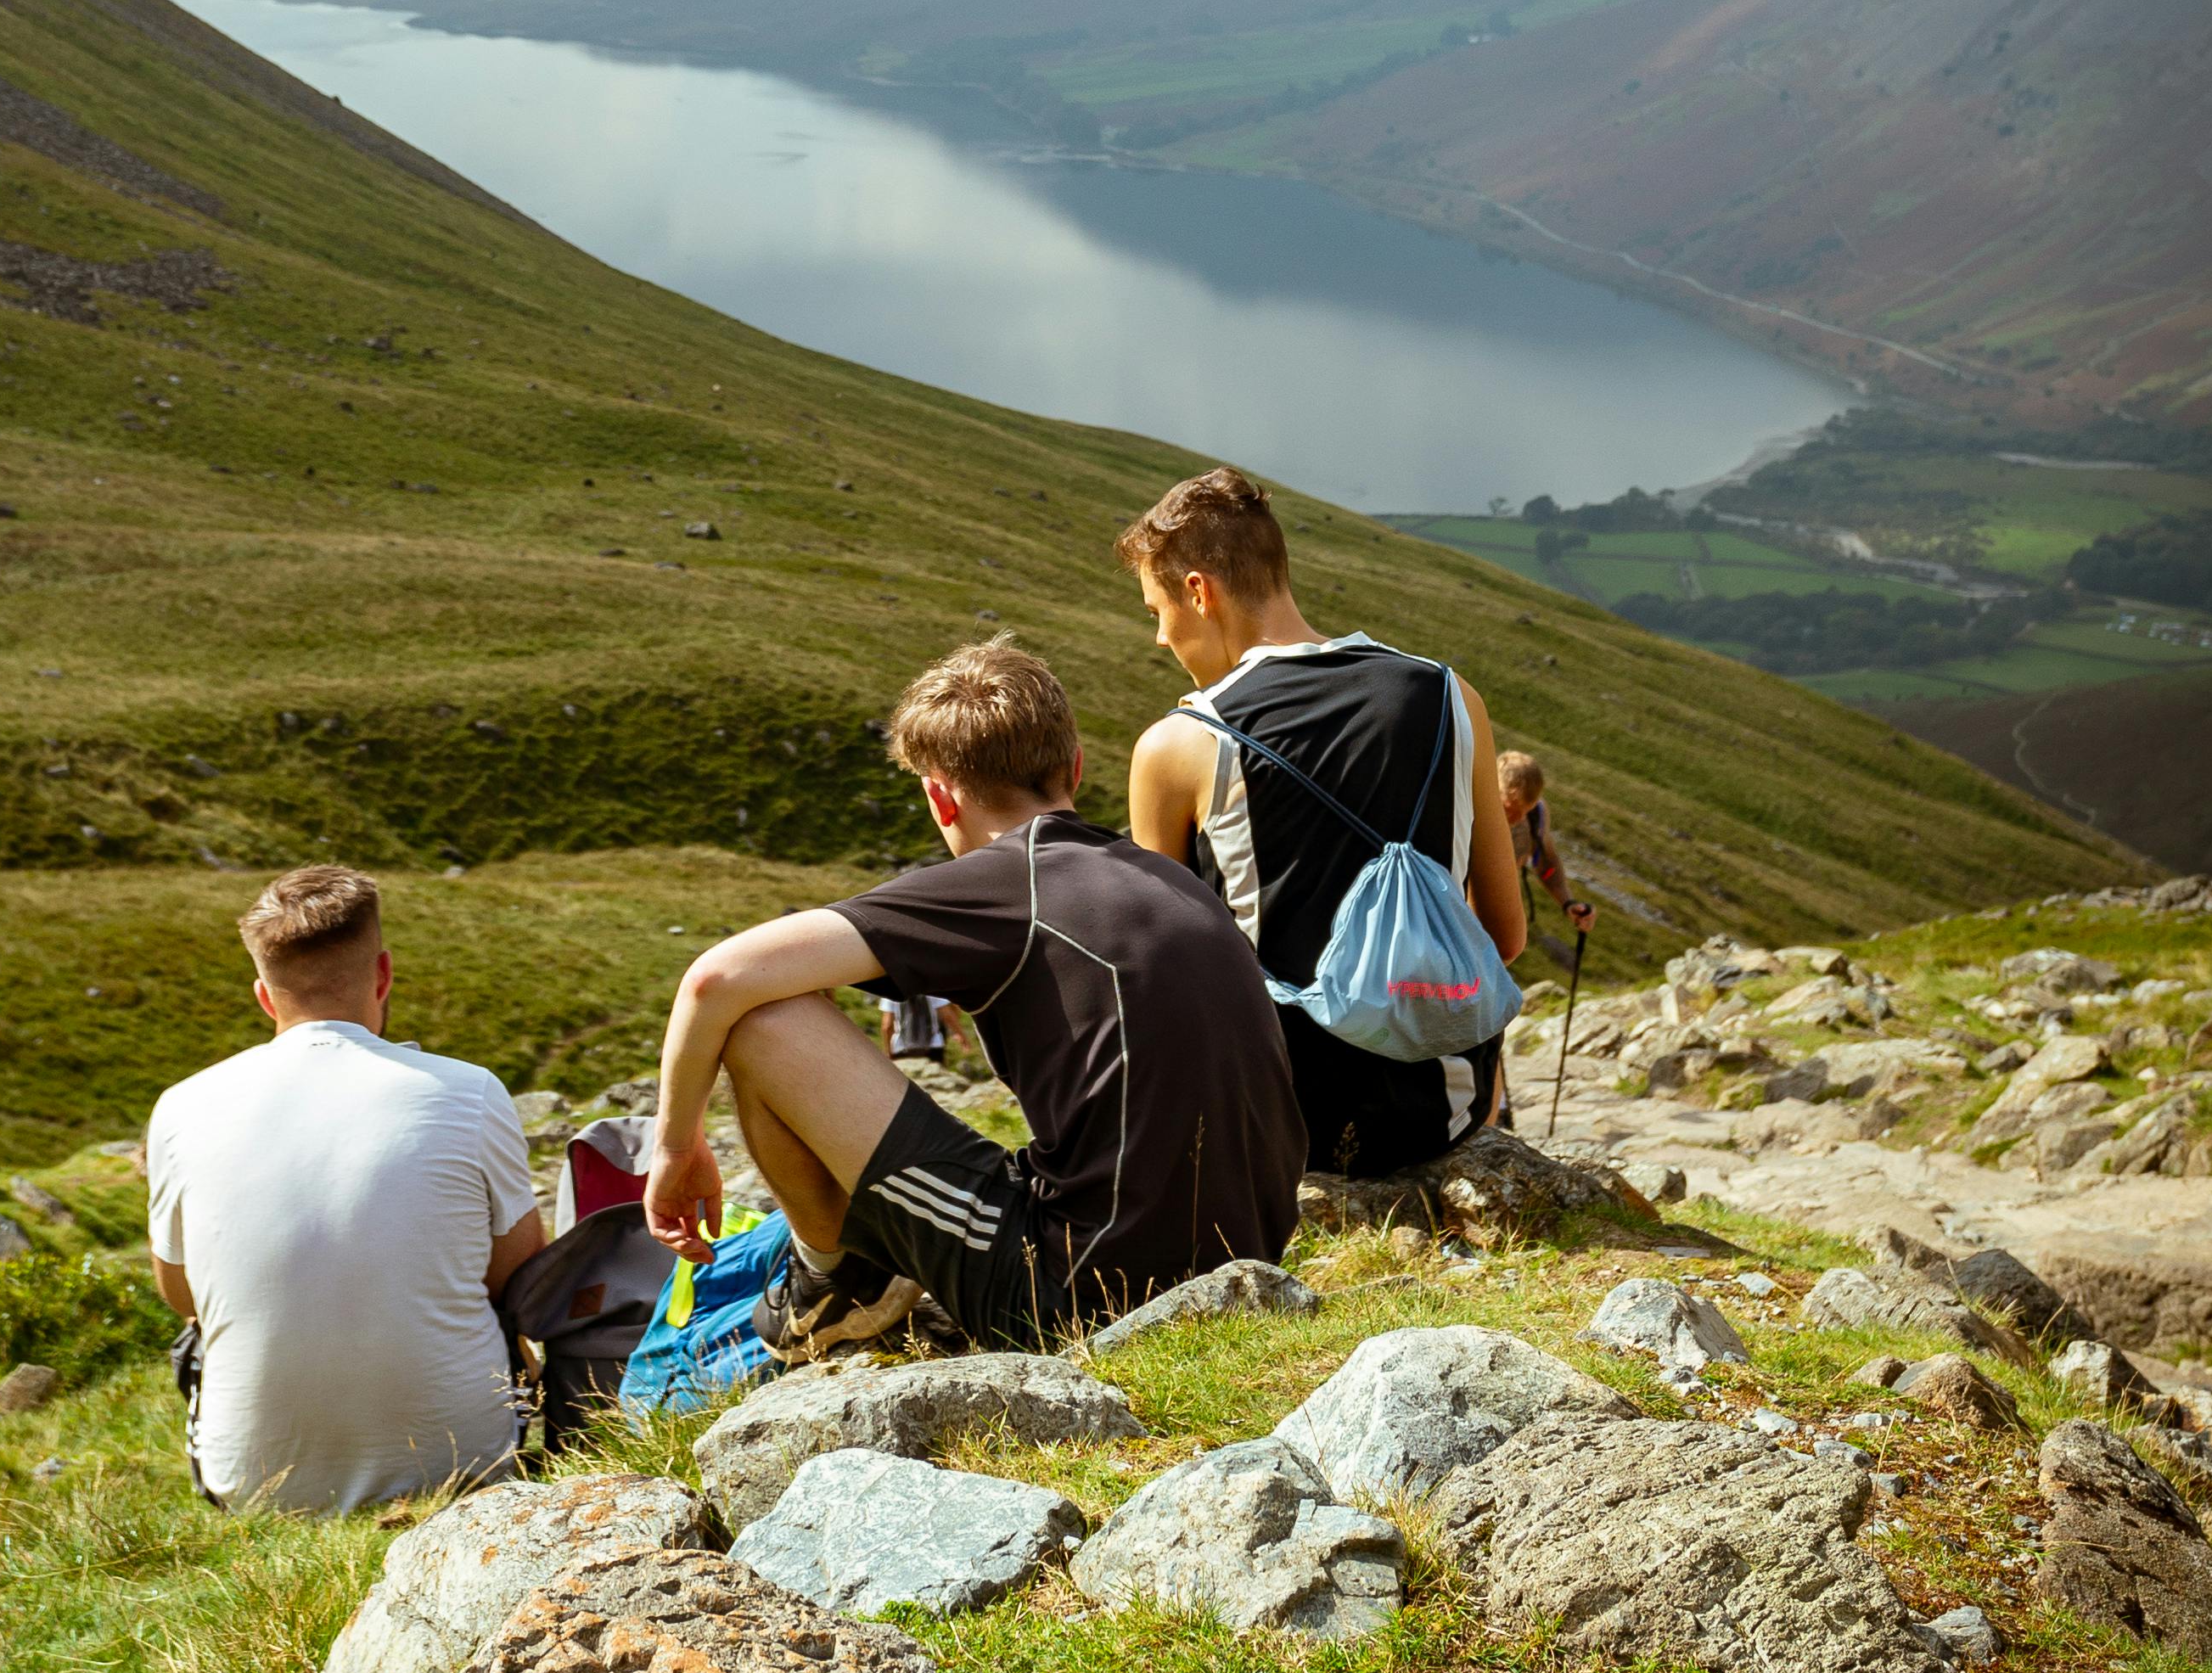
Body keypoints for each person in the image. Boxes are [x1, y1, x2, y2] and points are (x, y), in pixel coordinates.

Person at [641, 637, 1302, 1353]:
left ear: (939, 796)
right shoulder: (1166, 878)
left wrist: (675, 1147)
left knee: (762, 1020)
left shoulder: (1006, 879)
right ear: (1074, 767)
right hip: (1246, 1263)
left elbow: (715, 979)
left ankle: (833, 1279)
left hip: (1085, 1298)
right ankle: (866, 1262)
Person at [1118, 466, 1529, 1180]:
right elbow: (1505, 936)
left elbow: (1163, 982)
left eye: (1157, 610)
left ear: (1198, 592)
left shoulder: (1180, 744)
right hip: (1444, 1116)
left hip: (1278, 1125)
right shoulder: (1450, 694)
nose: (1160, 638)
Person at [147, 861, 546, 1511]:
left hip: (249, 1486)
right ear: (383, 973)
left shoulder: (181, 1106)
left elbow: (180, 1292)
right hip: (464, 1463)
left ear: (265, 996)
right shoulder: (470, 1090)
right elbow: (519, 1275)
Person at [1498, 749, 1589, 936]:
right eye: (1510, 809)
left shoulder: (1536, 815)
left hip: (1492, 922)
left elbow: (1546, 866)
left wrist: (1567, 902)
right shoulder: (1466, 807)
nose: (1519, 818)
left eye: (1527, 809)